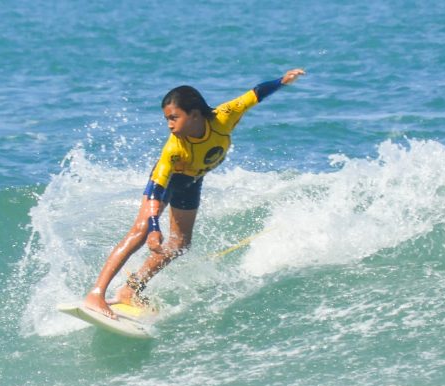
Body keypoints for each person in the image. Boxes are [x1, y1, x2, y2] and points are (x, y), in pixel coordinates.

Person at [84, 68, 306, 318]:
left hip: (192, 181)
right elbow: (157, 189)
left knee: (180, 243)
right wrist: (155, 225)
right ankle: (96, 294)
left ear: (194, 114)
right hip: (167, 182)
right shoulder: (174, 148)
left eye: (174, 117)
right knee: (141, 230)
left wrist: (282, 81)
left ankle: (130, 290)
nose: (169, 124)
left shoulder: (224, 117)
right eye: (167, 119)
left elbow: (256, 94)